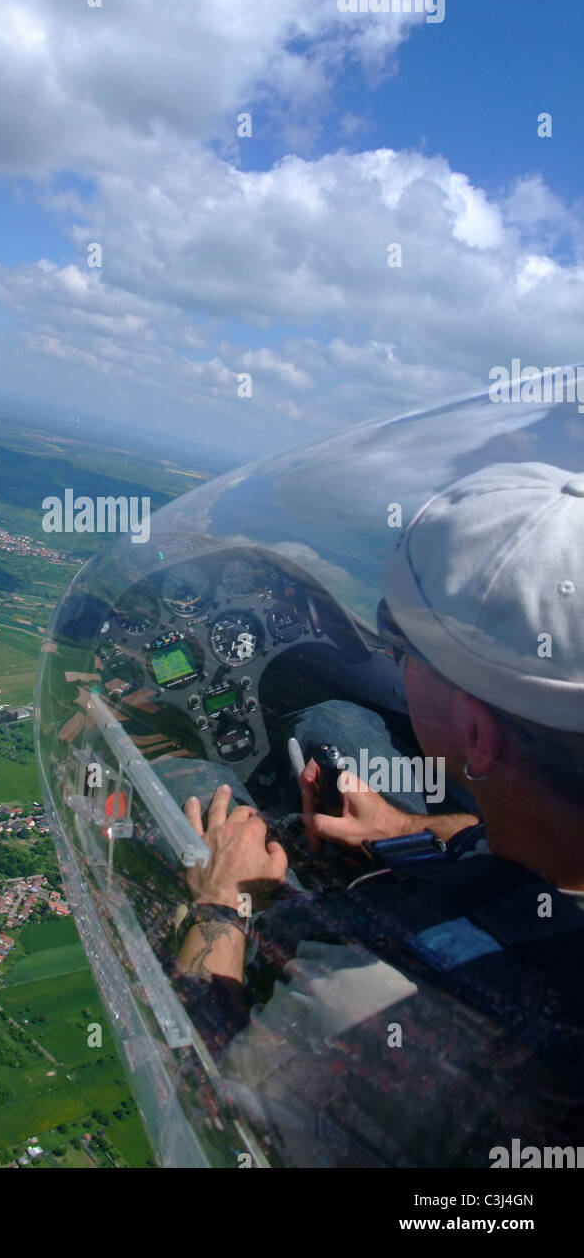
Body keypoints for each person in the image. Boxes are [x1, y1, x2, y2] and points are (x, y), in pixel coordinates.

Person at [173, 461, 584, 1167]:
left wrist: (221, 906)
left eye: (401, 649)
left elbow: (202, 1108)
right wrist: (406, 831)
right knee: (336, 721)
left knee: (192, 783)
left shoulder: (378, 1000)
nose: (391, 658)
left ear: (477, 734)